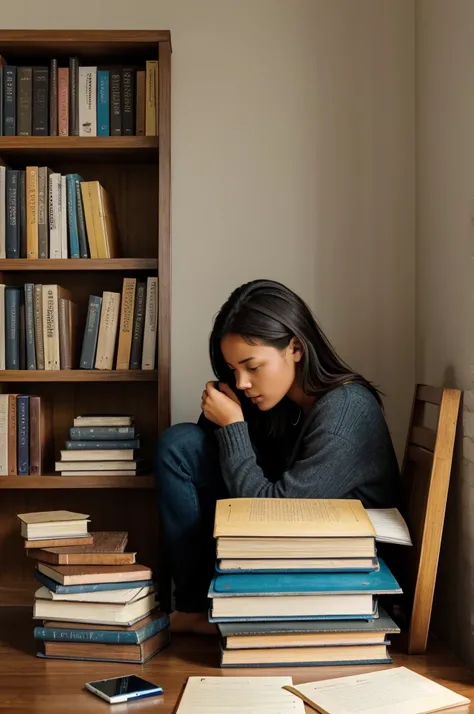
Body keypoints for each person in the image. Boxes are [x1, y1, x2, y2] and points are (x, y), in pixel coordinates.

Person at [155, 279, 400, 634]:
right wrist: (225, 412)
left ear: (295, 348)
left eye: (252, 367)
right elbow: (199, 462)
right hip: (298, 550)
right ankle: (194, 607)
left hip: (349, 570)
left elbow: (271, 515)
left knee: (194, 448)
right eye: (232, 370)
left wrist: (234, 426)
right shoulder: (287, 406)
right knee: (181, 444)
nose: (242, 382)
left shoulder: (346, 411)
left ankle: (206, 609)